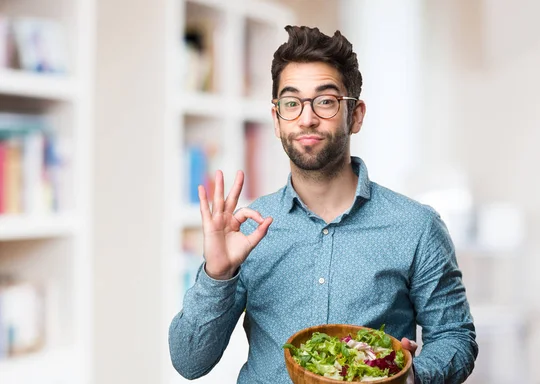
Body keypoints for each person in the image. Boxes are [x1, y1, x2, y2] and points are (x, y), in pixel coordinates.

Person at [169, 25, 478, 384]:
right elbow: (189, 363)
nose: (306, 118)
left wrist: (412, 377)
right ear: (276, 119)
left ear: (356, 115)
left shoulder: (416, 226)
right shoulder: (249, 229)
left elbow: (455, 338)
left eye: (326, 101)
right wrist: (217, 274)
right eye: (291, 103)